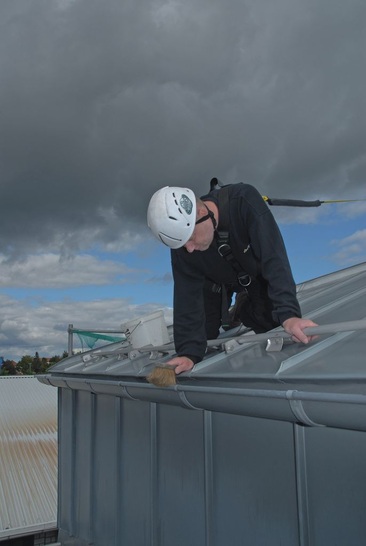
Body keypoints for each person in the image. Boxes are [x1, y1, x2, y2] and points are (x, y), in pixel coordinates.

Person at [147, 183, 317, 375]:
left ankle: (243, 308)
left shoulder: (243, 201)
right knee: (206, 339)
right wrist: (188, 353)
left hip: (253, 274)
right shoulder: (182, 243)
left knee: (270, 321)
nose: (190, 249)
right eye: (182, 245)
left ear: (202, 212)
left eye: (190, 238)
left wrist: (290, 315)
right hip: (214, 283)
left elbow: (274, 258)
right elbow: (186, 295)